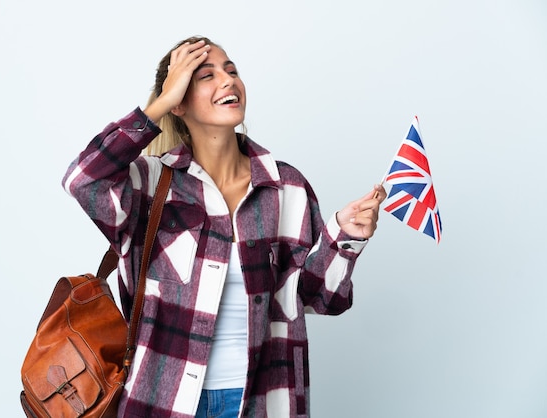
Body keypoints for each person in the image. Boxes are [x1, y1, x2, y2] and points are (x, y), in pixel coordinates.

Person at [62, 36, 387, 418]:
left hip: (264, 400)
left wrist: (344, 237)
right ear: (179, 100)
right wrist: (158, 106)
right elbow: (83, 180)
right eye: (205, 76)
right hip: (162, 403)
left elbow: (320, 299)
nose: (228, 80)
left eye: (231, 70)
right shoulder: (150, 185)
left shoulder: (286, 188)